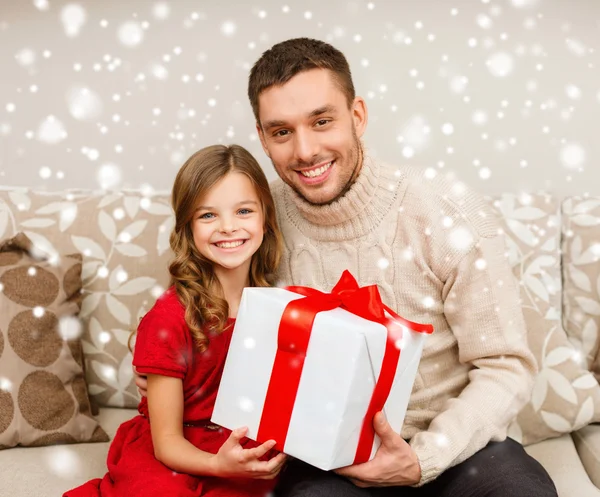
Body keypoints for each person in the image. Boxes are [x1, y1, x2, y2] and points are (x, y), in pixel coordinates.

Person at [138, 38, 558, 496]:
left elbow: (506, 365)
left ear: (357, 115)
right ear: (261, 137)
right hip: (323, 459)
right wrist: (155, 362)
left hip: (452, 446)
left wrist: (426, 458)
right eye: (281, 132)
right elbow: (199, 300)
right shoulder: (254, 220)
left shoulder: (448, 213)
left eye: (322, 121)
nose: (305, 150)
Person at [65, 144, 287, 497]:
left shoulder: (276, 307)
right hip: (170, 449)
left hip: (233, 446)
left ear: (265, 218)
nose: (228, 227)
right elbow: (167, 441)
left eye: (244, 211)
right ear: (187, 225)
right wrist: (217, 465)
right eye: (208, 215)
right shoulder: (168, 319)